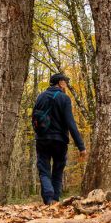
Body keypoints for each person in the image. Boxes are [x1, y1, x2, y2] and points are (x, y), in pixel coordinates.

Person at [32, 72, 86, 204]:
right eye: (65, 82)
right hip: (59, 140)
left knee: (44, 170)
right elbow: (70, 123)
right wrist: (81, 146)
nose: (66, 85)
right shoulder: (64, 98)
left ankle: (48, 198)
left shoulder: (40, 97)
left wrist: (39, 133)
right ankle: (55, 199)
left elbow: (34, 118)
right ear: (60, 83)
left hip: (42, 139)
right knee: (58, 169)